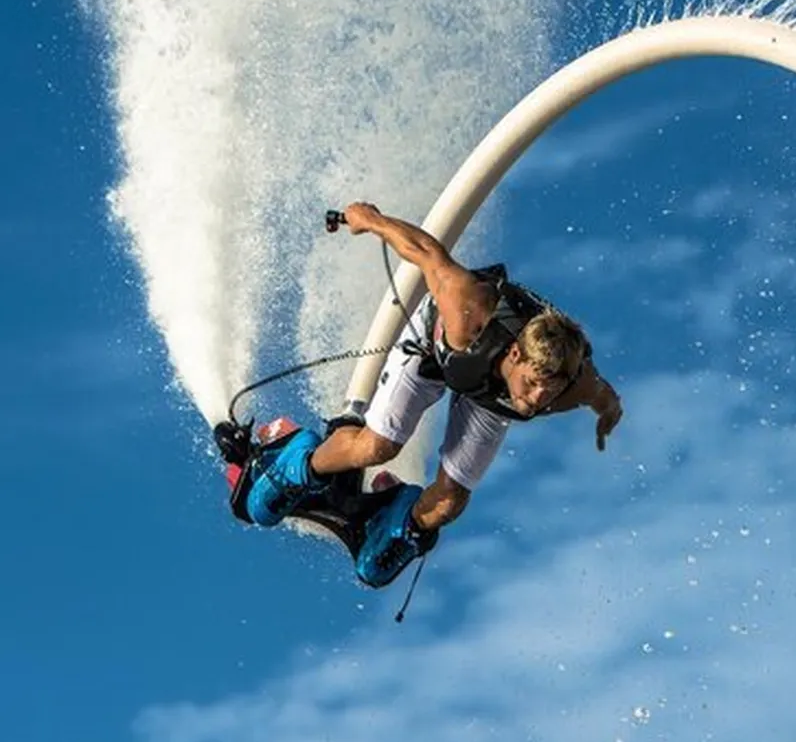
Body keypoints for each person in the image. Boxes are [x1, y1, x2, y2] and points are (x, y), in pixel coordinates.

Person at [214, 202, 623, 589]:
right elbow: (427, 251)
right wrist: (370, 219)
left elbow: (605, 398)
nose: (535, 399)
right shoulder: (467, 310)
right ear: (516, 354)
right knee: (378, 446)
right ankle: (295, 461)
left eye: (547, 391)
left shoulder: (572, 387)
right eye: (532, 383)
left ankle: (394, 522)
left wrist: (607, 416)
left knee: (450, 503)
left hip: (485, 399)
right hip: (432, 353)